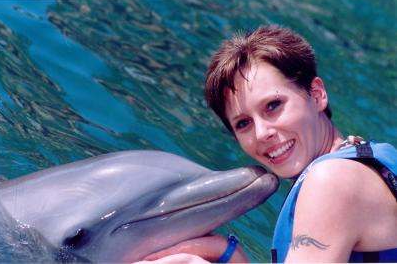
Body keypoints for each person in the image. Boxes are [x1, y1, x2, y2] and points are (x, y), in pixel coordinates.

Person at [142, 25, 397, 263]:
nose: (262, 133)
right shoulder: (365, 157)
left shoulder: (330, 181)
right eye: (243, 124)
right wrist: (225, 253)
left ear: (317, 95)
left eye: (273, 106)